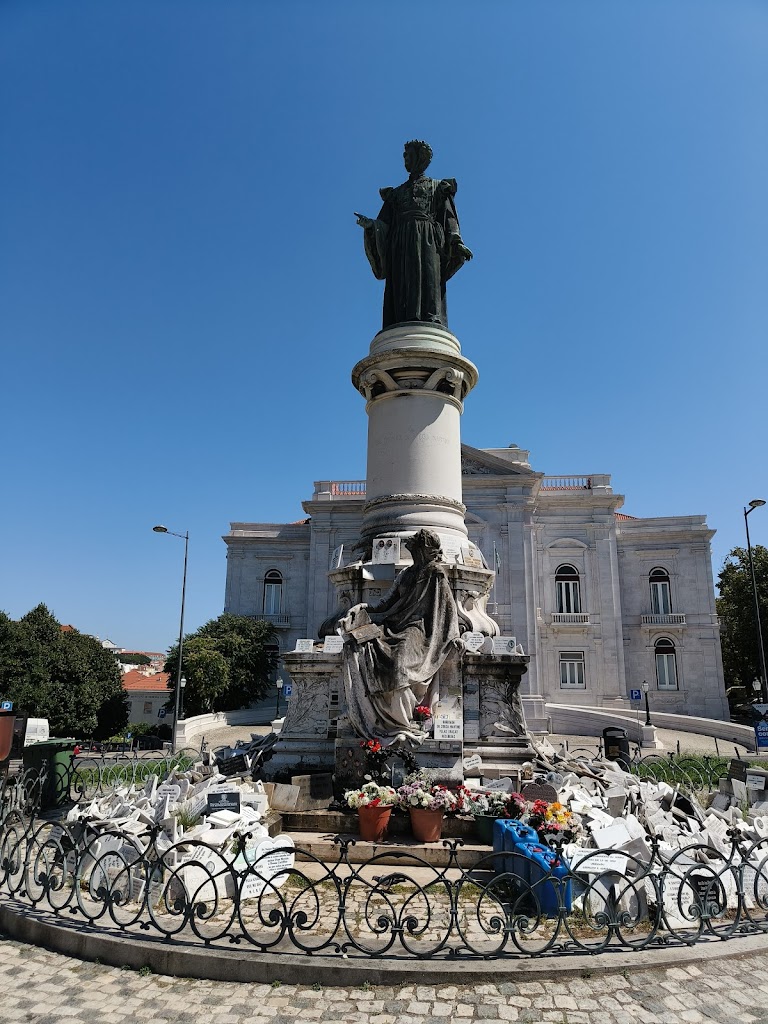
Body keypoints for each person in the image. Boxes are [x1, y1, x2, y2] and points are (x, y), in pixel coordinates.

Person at [339, 529, 460, 745]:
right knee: (362, 645)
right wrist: (361, 606)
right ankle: (381, 716)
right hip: (395, 624)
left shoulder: (436, 574)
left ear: (422, 550)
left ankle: (402, 720)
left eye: (414, 549)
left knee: (400, 661)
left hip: (420, 630)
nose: (411, 552)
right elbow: (386, 603)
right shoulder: (406, 574)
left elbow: (448, 608)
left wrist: (454, 636)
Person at [355, 141, 473, 330]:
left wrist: (456, 241)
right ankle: (400, 318)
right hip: (400, 242)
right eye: (404, 155)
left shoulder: (437, 187)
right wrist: (371, 226)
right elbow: (383, 222)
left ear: (420, 157)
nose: (405, 159)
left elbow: (448, 217)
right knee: (402, 282)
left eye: (408, 155)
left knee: (428, 277)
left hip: (428, 240)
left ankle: (430, 317)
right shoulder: (396, 193)